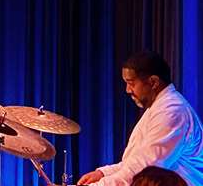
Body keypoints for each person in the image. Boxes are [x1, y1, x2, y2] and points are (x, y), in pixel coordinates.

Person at [77, 50, 203, 186]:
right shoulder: (159, 107)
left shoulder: (172, 111)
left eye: (131, 83)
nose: (127, 90)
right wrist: (103, 173)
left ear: (153, 82)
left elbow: (142, 170)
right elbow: (133, 162)